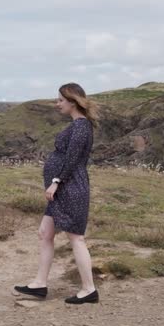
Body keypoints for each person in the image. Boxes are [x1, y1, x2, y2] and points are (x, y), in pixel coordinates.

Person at [14, 82, 99, 305]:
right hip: (64, 189)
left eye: (60, 100)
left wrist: (55, 182)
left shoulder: (81, 126)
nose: (57, 104)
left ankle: (89, 289)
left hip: (70, 188)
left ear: (72, 101)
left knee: (76, 238)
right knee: (45, 233)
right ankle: (40, 284)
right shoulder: (77, 125)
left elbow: (72, 159)